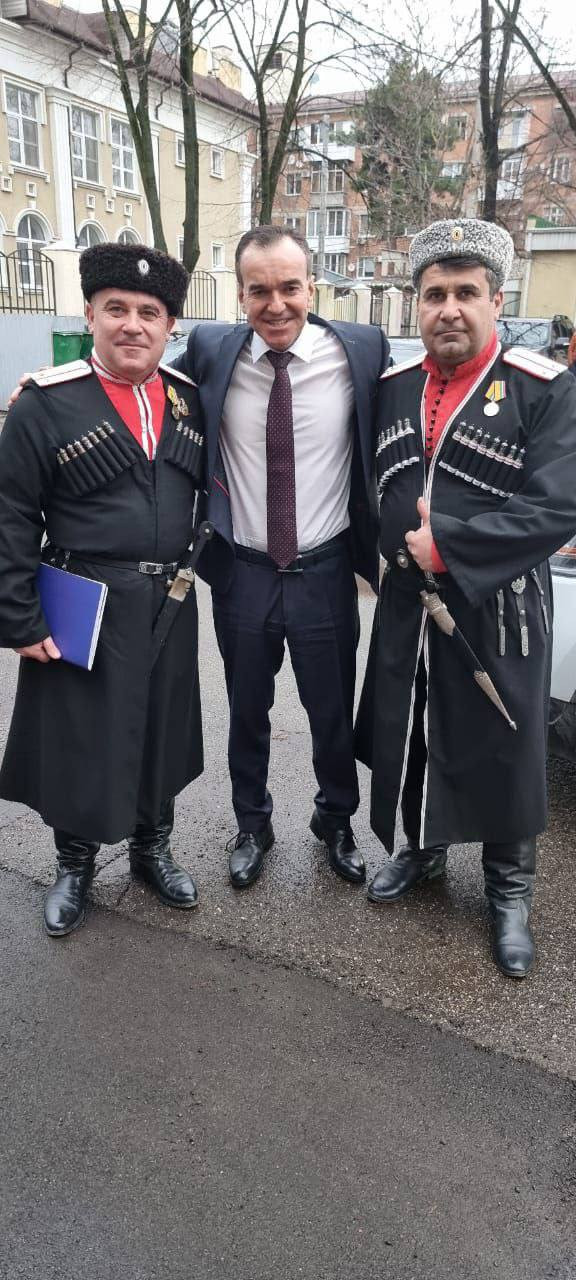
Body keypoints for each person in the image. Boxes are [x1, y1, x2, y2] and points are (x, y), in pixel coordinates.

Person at [355, 218, 576, 978]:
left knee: (507, 741)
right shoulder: (392, 388)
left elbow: (557, 506)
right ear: (417, 303)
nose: (449, 309)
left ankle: (509, 891)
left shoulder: (544, 388)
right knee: (413, 727)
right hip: (406, 603)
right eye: (434, 294)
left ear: (496, 300)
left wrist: (449, 546)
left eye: (466, 293)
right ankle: (422, 851)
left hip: (500, 603)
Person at [170, 225, 389, 889]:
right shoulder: (211, 350)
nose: (276, 304)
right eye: (259, 290)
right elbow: (139, 376)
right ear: (240, 294)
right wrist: (50, 387)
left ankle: (336, 819)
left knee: (331, 710)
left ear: (311, 287)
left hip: (326, 570)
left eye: (289, 287)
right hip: (244, 572)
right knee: (246, 710)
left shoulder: (361, 349)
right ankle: (252, 823)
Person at [0, 242, 204, 937]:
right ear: (90, 314)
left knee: (163, 728)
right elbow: (12, 516)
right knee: (80, 736)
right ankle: (75, 864)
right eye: (116, 309)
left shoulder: (188, 398)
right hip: (82, 596)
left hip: (169, 597)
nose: (132, 325)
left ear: (169, 325)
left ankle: (152, 848)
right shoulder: (45, 403)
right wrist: (20, 617)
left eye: (149, 312)